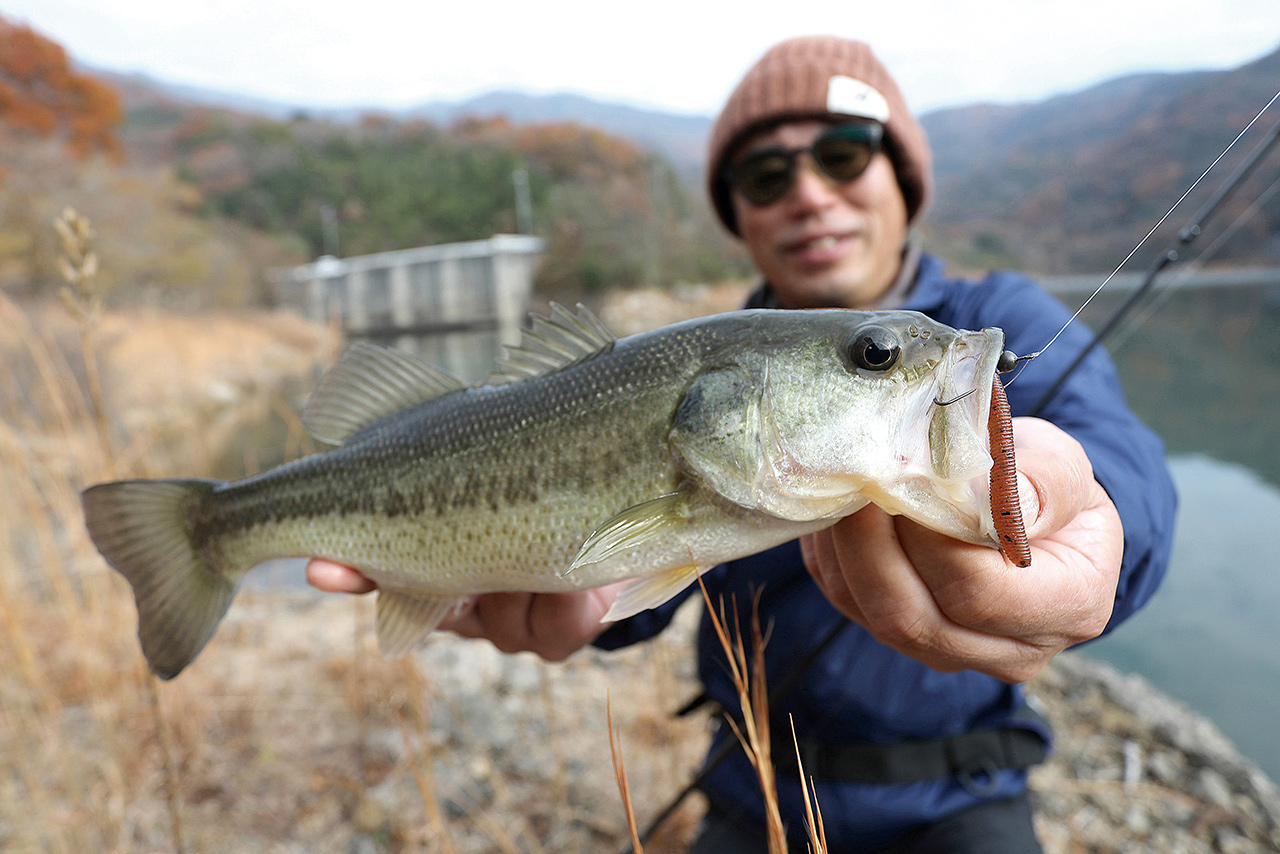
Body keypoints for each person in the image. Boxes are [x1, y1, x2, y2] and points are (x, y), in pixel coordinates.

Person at [307, 36, 1176, 853]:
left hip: (964, 796)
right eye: (765, 175)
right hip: (749, 786)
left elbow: (1121, 467)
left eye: (843, 154)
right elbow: (646, 579)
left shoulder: (999, 321)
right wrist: (584, 610)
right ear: (740, 214)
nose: (808, 193)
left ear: (904, 178)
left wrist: (1097, 521)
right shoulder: (693, 365)